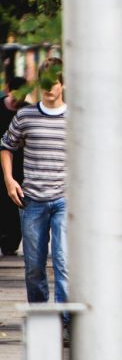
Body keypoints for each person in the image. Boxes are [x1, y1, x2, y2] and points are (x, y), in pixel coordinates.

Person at [1, 58, 69, 327]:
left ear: (63, 84)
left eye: (54, 83)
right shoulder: (26, 116)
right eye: (45, 83)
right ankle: (42, 320)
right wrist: (9, 180)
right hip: (32, 202)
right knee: (34, 267)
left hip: (65, 199)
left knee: (64, 264)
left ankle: (65, 323)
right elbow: (6, 145)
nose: (49, 88)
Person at [0, 76, 28, 254]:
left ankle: (10, 242)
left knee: (15, 203)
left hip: (19, 165)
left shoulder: (26, 111)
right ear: (9, 90)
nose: (20, 100)